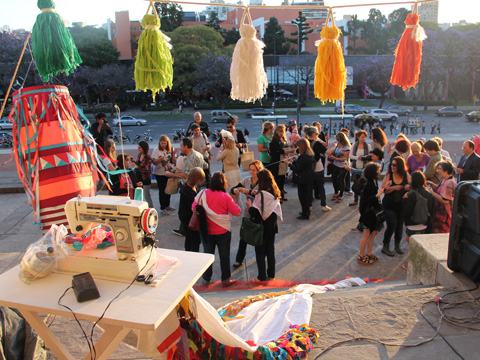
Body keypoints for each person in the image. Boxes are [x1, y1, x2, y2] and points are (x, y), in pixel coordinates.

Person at [194, 172, 241, 287]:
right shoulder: (226, 197)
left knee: (208, 255)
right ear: (223, 183)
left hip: (206, 232)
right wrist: (236, 199)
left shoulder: (202, 194)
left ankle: (206, 280)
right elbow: (237, 212)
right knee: (224, 256)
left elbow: (193, 207)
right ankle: (225, 280)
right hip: (223, 232)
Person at [246, 169, 282, 282]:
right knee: (270, 250)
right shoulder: (275, 192)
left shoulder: (261, 194)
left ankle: (261, 277)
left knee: (260, 252)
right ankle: (271, 275)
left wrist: (249, 205)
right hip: (272, 225)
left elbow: (254, 212)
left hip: (261, 226)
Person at [231, 160, 263, 268]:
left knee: (259, 234)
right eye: (250, 170)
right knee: (244, 235)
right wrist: (236, 189)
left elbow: (262, 196)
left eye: (254, 170)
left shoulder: (263, 182)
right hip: (248, 211)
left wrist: (247, 191)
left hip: (259, 211)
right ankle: (239, 259)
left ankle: (262, 256)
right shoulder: (247, 180)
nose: (251, 172)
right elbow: (234, 188)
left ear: (259, 170)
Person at [357, 162, 387, 265]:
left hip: (372, 213)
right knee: (367, 234)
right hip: (369, 213)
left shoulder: (373, 182)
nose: (379, 172)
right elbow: (367, 200)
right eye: (378, 170)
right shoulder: (369, 184)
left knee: (373, 233)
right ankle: (361, 255)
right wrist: (377, 195)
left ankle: (368, 252)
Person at [381, 156, 411, 257]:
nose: (392, 166)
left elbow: (412, 186)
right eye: (391, 164)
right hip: (389, 204)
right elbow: (383, 189)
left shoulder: (406, 175)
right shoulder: (389, 175)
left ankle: (397, 245)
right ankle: (385, 245)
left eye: (394, 165)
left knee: (399, 226)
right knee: (392, 224)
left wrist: (408, 187)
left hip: (401, 205)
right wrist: (393, 187)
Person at [178, 167, 205, 252]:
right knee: (193, 240)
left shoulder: (188, 186)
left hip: (186, 217)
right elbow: (193, 205)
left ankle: (189, 253)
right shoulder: (188, 191)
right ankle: (192, 256)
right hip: (189, 218)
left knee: (190, 239)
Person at [403, 171, 435, 241]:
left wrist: (404, 199)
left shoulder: (410, 195)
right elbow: (431, 210)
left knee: (410, 241)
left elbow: (407, 211)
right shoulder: (429, 194)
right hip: (424, 223)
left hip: (412, 224)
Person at [304, 125, 330, 212]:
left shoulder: (304, 142)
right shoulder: (317, 143)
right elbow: (328, 152)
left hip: (307, 168)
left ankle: (309, 205)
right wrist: (334, 146)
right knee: (321, 187)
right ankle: (323, 205)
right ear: (314, 134)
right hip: (318, 167)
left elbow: (297, 151)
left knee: (309, 187)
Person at [288, 138, 315, 219]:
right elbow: (300, 165)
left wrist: (289, 164)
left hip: (303, 179)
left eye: (298, 147)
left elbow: (297, 168)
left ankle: (305, 213)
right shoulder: (308, 155)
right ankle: (305, 211)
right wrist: (292, 161)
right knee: (305, 196)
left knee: (303, 197)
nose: (297, 149)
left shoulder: (303, 157)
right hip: (307, 178)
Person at [268, 124, 296, 201]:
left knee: (282, 179)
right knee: (277, 181)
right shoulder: (274, 141)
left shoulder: (282, 139)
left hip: (283, 162)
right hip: (277, 162)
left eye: (283, 131)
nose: (281, 133)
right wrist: (292, 150)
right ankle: (277, 197)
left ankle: (281, 194)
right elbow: (281, 151)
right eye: (279, 131)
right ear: (276, 131)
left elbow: (285, 148)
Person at [428, 161, 457, 233]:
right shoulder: (444, 179)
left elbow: (445, 200)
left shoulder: (450, 182)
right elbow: (439, 189)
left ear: (446, 170)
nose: (438, 171)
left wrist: (431, 192)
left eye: (440, 169)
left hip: (444, 216)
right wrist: (432, 184)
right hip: (439, 213)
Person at [152, 135, 176, 215]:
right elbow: (154, 162)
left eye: (165, 143)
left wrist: (174, 154)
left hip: (168, 172)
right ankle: (163, 207)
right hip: (159, 172)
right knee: (162, 190)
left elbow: (173, 161)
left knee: (168, 189)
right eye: (162, 143)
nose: (163, 145)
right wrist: (160, 159)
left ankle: (167, 204)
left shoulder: (170, 149)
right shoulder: (156, 150)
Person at [326, 132, 351, 203]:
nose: (338, 140)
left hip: (343, 165)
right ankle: (336, 192)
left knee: (341, 179)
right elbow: (333, 152)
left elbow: (346, 158)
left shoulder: (347, 147)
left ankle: (341, 194)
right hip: (336, 164)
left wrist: (335, 158)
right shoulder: (338, 145)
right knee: (333, 178)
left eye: (339, 139)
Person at [349, 130, 371, 206]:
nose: (363, 139)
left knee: (364, 184)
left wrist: (365, 158)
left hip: (364, 167)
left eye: (364, 137)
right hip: (356, 166)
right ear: (358, 137)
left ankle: (363, 199)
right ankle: (355, 199)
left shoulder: (368, 146)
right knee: (356, 184)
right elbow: (350, 156)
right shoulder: (354, 145)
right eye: (362, 137)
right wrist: (357, 157)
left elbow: (370, 157)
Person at [216, 131, 241, 196]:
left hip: (229, 171)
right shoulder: (236, 149)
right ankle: (238, 203)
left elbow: (218, 159)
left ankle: (232, 203)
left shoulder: (226, 151)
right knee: (237, 189)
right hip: (237, 170)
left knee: (231, 189)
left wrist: (219, 153)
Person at [135, 141, 154, 208]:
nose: (138, 149)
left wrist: (137, 167)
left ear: (143, 148)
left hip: (145, 179)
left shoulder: (148, 157)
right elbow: (137, 163)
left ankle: (151, 208)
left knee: (147, 196)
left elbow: (147, 170)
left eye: (139, 148)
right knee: (139, 195)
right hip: (139, 178)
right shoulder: (139, 155)